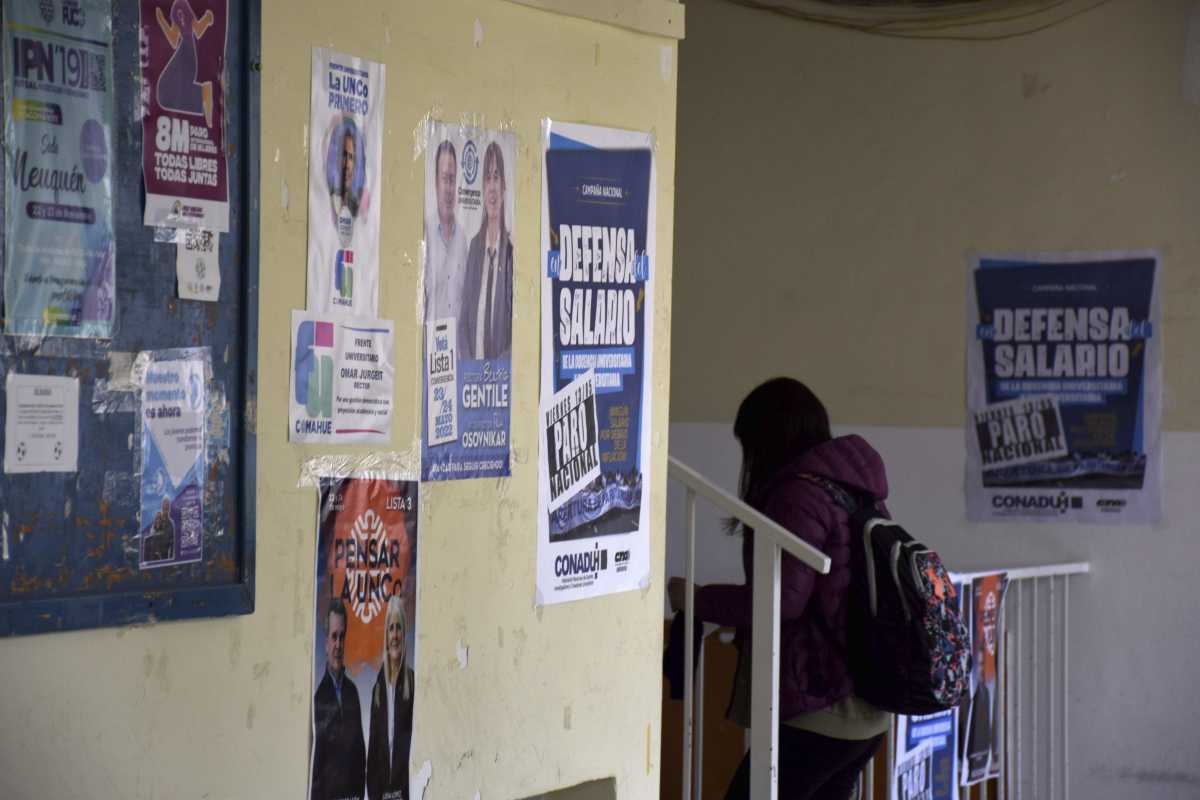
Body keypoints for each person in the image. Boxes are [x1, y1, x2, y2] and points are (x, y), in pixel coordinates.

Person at [667, 378, 891, 800]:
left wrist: (696, 598)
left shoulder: (797, 497)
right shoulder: (853, 492)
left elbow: (783, 600)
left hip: (821, 710)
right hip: (864, 710)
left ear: (766, 439)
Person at [461, 141, 513, 360]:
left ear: (503, 187)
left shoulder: (511, 251)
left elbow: (516, 330)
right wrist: (468, 368)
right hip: (471, 378)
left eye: (496, 176)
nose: (492, 186)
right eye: (487, 178)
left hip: (500, 382)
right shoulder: (474, 248)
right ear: (483, 187)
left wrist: (497, 370)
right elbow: (464, 321)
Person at [312, 598, 366, 800]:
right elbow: (316, 768)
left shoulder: (352, 692)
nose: (338, 644)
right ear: (325, 642)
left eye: (342, 637)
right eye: (334, 636)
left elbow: (360, 755)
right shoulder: (318, 699)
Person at [367, 595, 415, 800]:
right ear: (386, 636)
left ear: (404, 634)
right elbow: (373, 754)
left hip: (407, 793)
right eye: (391, 628)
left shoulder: (413, 684)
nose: (395, 635)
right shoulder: (377, 690)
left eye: (399, 628)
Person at [424, 140, 468, 338]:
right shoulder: (424, 234)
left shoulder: (464, 241)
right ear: (435, 183)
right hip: (429, 355)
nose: (449, 188)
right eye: (444, 179)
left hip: (457, 359)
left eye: (452, 179)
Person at [155, 1, 216, 127]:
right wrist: (161, 19)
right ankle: (205, 94)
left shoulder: (180, 5)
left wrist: (207, 18)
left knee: (166, 92)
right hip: (185, 50)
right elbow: (174, 39)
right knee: (165, 93)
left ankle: (208, 113)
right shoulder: (177, 7)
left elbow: (197, 31)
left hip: (186, 52)